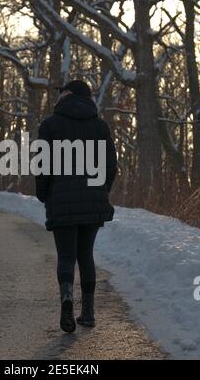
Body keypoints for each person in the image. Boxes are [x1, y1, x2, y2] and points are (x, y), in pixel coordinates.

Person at [35, 80, 117, 333]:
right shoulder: (100, 126)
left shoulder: (50, 125)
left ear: (67, 95)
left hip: (61, 199)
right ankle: (89, 312)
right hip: (93, 201)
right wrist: (101, 191)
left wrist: (43, 193)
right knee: (86, 255)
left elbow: (43, 166)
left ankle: (67, 299)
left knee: (66, 256)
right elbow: (111, 166)